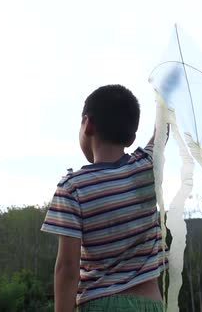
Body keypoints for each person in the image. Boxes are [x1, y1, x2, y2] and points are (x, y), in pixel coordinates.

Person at [41, 84, 167, 312]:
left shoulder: (73, 188)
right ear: (130, 138)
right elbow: (161, 133)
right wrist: (167, 96)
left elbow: (67, 268)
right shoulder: (146, 169)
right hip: (152, 304)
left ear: (87, 124)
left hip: (101, 304)